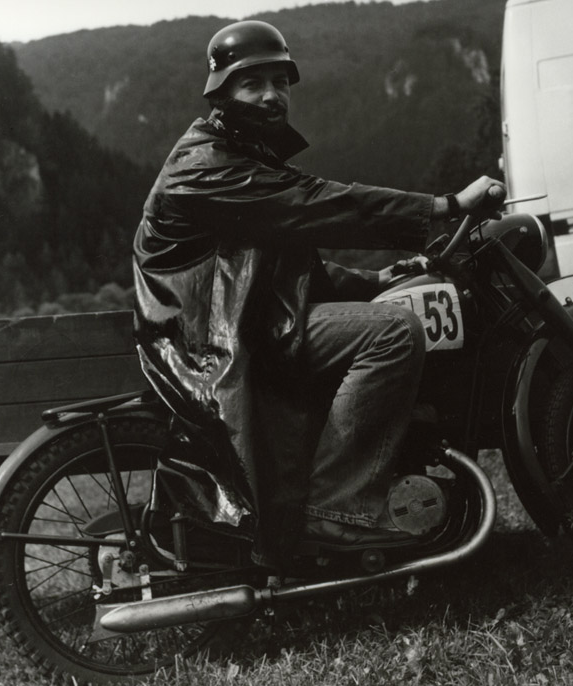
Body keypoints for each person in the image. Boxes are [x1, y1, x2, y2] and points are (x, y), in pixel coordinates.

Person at [132, 19, 504, 569]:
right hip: (212, 347)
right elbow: (320, 204)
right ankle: (335, 509)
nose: (270, 95)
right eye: (251, 84)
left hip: (240, 326)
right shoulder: (208, 166)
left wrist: (377, 280)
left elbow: (284, 267)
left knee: (388, 309)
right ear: (221, 94)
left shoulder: (243, 152)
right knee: (395, 332)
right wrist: (445, 206)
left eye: (279, 82)